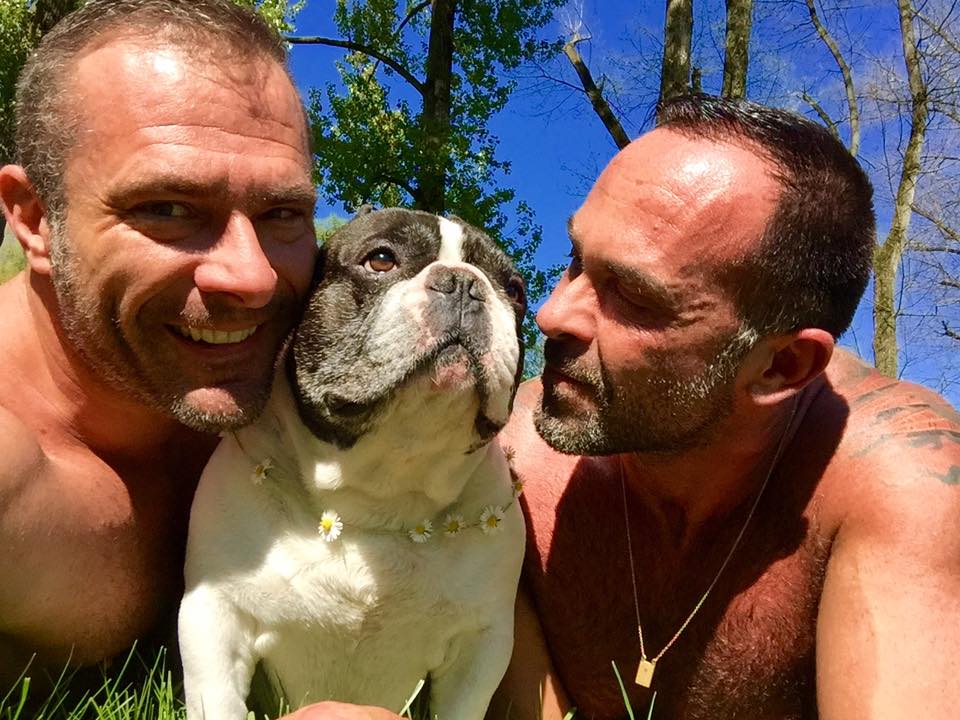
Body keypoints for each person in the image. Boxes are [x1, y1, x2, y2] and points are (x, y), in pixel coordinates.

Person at [485, 94, 960, 719]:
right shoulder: (508, 457)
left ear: (781, 366)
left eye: (633, 296)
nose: (551, 314)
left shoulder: (901, 479)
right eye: (576, 260)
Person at [0, 5, 387, 718]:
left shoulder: (300, 382)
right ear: (34, 218)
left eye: (281, 214)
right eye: (169, 208)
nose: (253, 277)